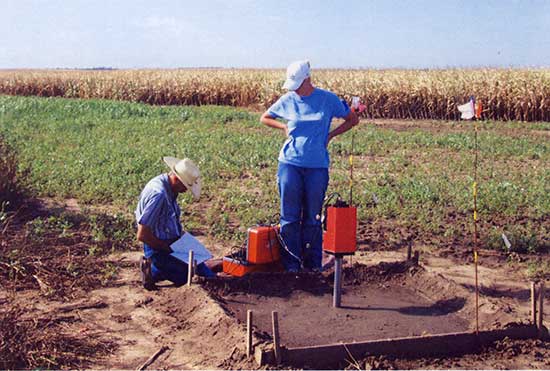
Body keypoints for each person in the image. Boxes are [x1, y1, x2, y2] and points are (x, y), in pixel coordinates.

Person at [260, 60, 360, 272]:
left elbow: (352, 119)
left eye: (298, 83)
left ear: (308, 79)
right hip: (289, 164)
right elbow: (265, 117)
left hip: (317, 166)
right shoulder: (288, 99)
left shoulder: (328, 99)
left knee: (313, 217)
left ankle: (313, 266)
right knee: (289, 217)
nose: (295, 88)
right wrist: (283, 127)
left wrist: (331, 135)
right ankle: (291, 265)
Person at [136, 156, 214, 290]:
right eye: (185, 186)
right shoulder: (159, 194)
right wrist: (166, 247)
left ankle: (160, 269)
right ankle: (152, 269)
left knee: (203, 269)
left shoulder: (168, 186)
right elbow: (143, 235)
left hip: (172, 242)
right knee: (185, 276)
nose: (185, 191)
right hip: (157, 247)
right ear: (177, 179)